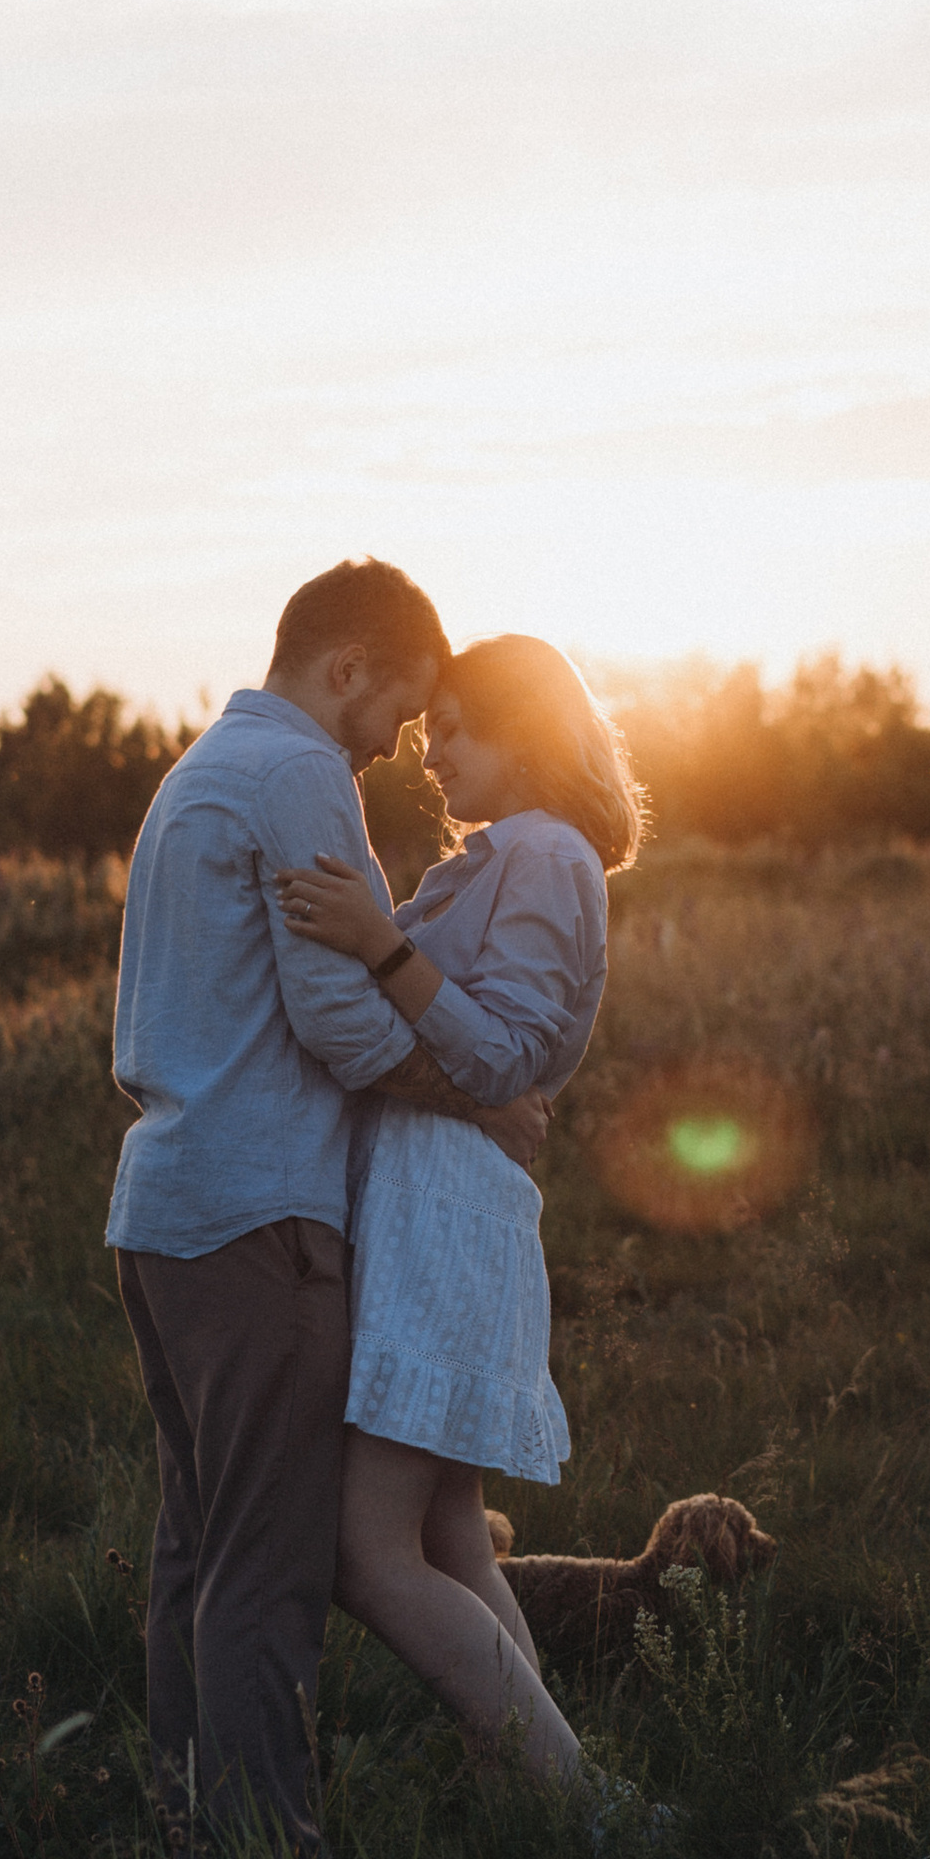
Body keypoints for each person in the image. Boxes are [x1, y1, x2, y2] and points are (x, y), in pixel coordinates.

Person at [106, 560, 552, 1859]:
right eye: (402, 708)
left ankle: (191, 1857)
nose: (400, 744)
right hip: (258, 1226)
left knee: (198, 1555)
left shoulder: (196, 775)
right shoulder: (300, 776)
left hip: (163, 1216)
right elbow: (343, 1019)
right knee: (267, 1572)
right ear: (348, 667)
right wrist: (481, 1095)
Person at [273, 633, 645, 1789]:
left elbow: (506, 1060)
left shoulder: (546, 856)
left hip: (445, 1210)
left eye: (460, 731)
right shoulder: (507, 855)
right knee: (443, 1537)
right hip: (434, 1200)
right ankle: (539, 1797)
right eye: (430, 732)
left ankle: (583, 1805)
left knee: (363, 1551)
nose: (433, 758)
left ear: (525, 732)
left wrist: (379, 941)